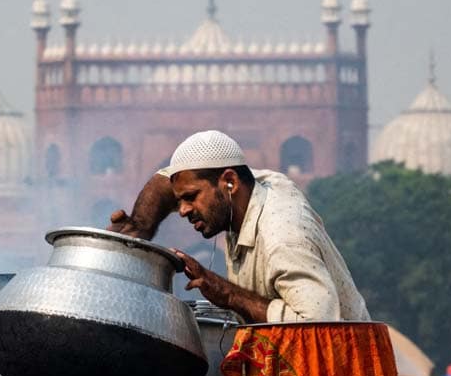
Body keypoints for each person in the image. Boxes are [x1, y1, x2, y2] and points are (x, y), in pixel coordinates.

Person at [108, 130, 370, 323]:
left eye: (190, 198)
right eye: (180, 201)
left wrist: (230, 296)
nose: (183, 210)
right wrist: (138, 226)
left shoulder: (282, 234)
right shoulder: (248, 186)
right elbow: (169, 180)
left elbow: (319, 324)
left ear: (230, 182)